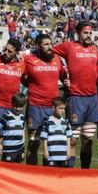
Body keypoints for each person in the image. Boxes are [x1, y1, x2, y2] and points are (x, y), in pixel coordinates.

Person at [52, 22, 98, 168]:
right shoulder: (69, 46)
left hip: (93, 98)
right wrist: (64, 76)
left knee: (88, 139)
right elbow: (50, 52)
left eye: (90, 33)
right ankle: (70, 171)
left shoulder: (94, 49)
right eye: (85, 33)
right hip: (76, 97)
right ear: (78, 33)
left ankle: (85, 172)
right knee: (73, 139)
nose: (88, 36)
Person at [23, 34, 66, 165]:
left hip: (53, 108)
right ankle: (31, 174)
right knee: (33, 143)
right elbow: (21, 77)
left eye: (50, 44)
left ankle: (48, 175)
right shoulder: (28, 59)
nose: (49, 47)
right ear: (38, 46)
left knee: (53, 144)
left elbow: (64, 77)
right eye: (46, 44)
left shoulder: (57, 59)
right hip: (35, 106)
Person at [0, 38, 25, 129]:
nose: (6, 53)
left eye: (10, 51)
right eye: (5, 50)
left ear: (17, 52)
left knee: (11, 134)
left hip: (15, 106)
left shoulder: (22, 64)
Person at [40, 97, 74, 168]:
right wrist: (45, 151)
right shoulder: (47, 121)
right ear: (53, 108)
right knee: (50, 176)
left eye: (64, 108)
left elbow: (68, 137)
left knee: (61, 176)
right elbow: (44, 138)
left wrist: (68, 151)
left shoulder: (66, 122)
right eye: (60, 108)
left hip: (63, 156)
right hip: (51, 156)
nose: (63, 111)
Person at [0, 93, 27, 163]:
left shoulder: (22, 117)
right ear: (12, 104)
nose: (18, 109)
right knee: (6, 169)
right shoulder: (6, 116)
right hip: (8, 150)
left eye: (20, 107)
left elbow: (23, 129)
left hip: (20, 148)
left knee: (17, 169)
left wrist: (23, 141)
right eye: (16, 106)